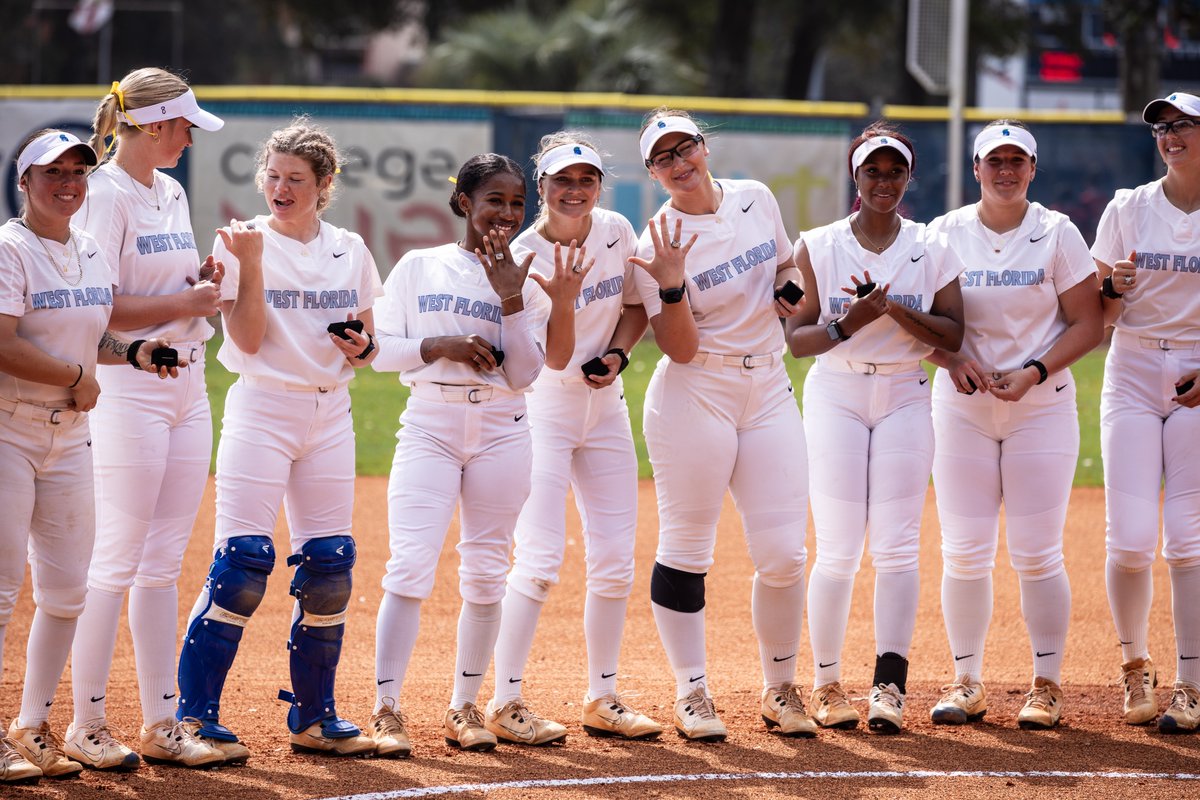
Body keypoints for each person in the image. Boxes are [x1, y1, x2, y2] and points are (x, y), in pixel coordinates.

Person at [175, 119, 381, 761]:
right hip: (262, 408)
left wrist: (362, 346)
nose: (280, 188)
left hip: (330, 414)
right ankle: (194, 719)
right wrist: (255, 261)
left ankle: (315, 717)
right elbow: (246, 341)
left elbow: (368, 345)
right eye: (272, 175)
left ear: (324, 185)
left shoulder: (350, 248)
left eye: (296, 178)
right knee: (242, 563)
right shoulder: (241, 241)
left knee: (331, 568)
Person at [0, 130, 185, 784]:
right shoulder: (9, 247)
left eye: (78, 170)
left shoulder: (87, 248)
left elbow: (90, 329)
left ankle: (32, 725)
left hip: (69, 437)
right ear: (24, 181)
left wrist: (131, 352)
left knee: (66, 592)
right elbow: (4, 342)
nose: (69, 182)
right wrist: (77, 374)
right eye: (53, 172)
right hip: (10, 430)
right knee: (1, 594)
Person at [631, 109, 812, 743]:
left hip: (767, 385)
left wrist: (789, 290)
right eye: (663, 158)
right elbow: (677, 348)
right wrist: (674, 286)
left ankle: (781, 685)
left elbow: (788, 266)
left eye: (686, 148)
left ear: (705, 148)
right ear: (652, 173)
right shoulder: (655, 241)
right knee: (687, 547)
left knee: (786, 553)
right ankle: (692, 691)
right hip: (696, 390)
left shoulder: (755, 198)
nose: (679, 163)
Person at [67, 67, 226, 771]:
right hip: (129, 388)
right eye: (185, 125)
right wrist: (184, 307)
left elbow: (168, 290)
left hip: (188, 388)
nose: (191, 137)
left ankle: (163, 722)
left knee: (162, 565)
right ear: (156, 123)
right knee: (116, 560)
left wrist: (204, 291)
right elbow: (95, 307)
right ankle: (86, 723)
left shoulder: (171, 190)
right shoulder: (104, 196)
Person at [369, 153, 552, 756]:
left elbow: (526, 374)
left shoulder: (528, 277)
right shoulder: (421, 265)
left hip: (503, 426)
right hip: (430, 423)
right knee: (410, 564)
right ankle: (387, 709)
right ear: (464, 202)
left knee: (486, 569)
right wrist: (439, 344)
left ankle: (465, 705)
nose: (507, 212)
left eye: (517, 202)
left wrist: (511, 299)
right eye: (494, 199)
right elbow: (380, 351)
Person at [785, 124, 964, 734]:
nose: (883, 182)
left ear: (908, 177)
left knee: (896, 546)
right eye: (872, 171)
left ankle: (889, 685)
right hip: (837, 390)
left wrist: (896, 311)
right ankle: (827, 683)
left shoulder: (930, 244)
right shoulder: (820, 244)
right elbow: (798, 340)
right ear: (855, 178)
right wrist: (849, 322)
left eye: (894, 171)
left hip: (907, 393)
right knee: (837, 548)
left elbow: (953, 333)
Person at [925, 121, 1102, 730]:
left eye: (1017, 161)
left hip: (1040, 406)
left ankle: (1046, 684)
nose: (1005, 170)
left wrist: (1032, 371)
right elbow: (918, 322)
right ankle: (966, 680)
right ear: (975, 169)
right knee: (965, 552)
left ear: (1033, 168)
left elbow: (1088, 324)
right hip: (964, 410)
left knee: (1036, 553)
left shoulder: (1056, 232)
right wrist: (950, 360)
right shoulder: (944, 233)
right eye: (993, 160)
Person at [485, 133, 660, 745]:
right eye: (564, 180)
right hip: (545, 409)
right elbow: (547, 356)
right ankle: (505, 699)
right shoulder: (524, 253)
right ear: (543, 188)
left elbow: (636, 306)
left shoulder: (615, 230)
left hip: (604, 405)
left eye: (586, 180)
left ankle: (603, 695)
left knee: (615, 559)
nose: (576, 190)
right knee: (538, 558)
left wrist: (617, 353)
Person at [1093, 91, 1200, 734]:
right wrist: (1111, 287)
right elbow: (1098, 314)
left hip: (1197, 373)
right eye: (1161, 127)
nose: (1169, 135)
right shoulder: (1128, 208)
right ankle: (1136, 664)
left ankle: (1191, 683)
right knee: (1129, 538)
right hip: (1131, 368)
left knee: (1188, 537)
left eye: (1183, 124)